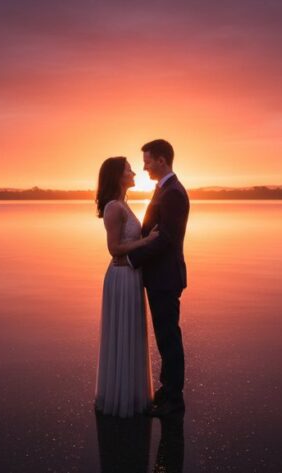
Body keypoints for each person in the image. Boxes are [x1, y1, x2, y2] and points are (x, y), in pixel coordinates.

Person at [122, 139, 190, 417]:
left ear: (162, 160)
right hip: (159, 275)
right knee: (165, 336)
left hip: (165, 276)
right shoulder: (163, 189)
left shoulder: (172, 193)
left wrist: (130, 259)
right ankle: (168, 390)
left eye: (148, 161)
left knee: (169, 337)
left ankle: (174, 400)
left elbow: (166, 240)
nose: (145, 167)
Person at [94, 156, 159, 417]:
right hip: (121, 277)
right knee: (122, 333)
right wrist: (147, 242)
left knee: (131, 333)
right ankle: (120, 399)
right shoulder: (113, 208)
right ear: (118, 176)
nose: (134, 172)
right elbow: (113, 249)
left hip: (131, 276)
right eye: (128, 169)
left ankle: (131, 393)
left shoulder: (124, 204)